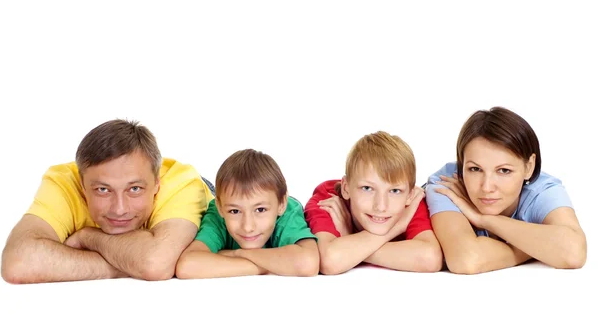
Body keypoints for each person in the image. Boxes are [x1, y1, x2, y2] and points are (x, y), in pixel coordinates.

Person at [1, 119, 213, 284]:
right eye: (103, 190)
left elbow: (154, 264)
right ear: (82, 185)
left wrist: (88, 238)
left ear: (157, 184)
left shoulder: (181, 181)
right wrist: (131, 261)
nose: (119, 209)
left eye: (135, 189)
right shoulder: (64, 182)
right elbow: (18, 263)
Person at [424, 106, 587, 274]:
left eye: (504, 171)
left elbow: (574, 253)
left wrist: (483, 219)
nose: (487, 187)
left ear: (528, 167)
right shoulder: (448, 185)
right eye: (474, 169)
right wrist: (535, 248)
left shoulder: (542, 190)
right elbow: (467, 259)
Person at [304, 131, 443, 275]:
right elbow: (329, 261)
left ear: (410, 195)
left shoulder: (411, 203)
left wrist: (350, 246)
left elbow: (430, 258)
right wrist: (395, 229)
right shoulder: (328, 199)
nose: (381, 206)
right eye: (367, 188)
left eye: (394, 191)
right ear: (346, 188)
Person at [175, 148, 319, 279]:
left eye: (260, 210)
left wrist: (237, 254)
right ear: (220, 207)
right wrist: (273, 265)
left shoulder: (288, 211)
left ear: (281, 204)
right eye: (235, 211)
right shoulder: (217, 213)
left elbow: (308, 263)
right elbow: (188, 266)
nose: (248, 226)